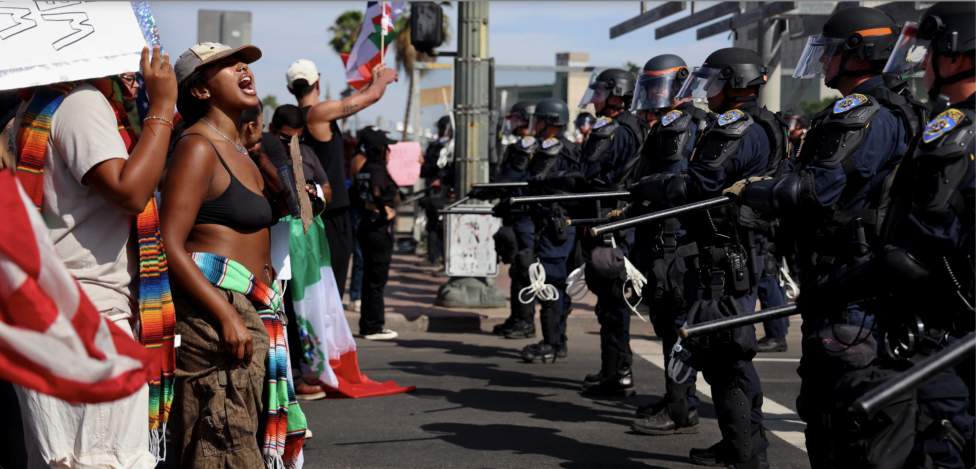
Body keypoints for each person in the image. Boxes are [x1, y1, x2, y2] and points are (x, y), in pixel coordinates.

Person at [725, 8, 929, 466]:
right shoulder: (902, 107)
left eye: (831, 53)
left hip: (848, 285)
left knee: (837, 420)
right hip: (860, 280)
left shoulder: (862, 113)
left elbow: (815, 191)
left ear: (859, 54)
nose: (822, 63)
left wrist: (756, 193)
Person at [803, 4, 975, 468]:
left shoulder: (958, 133)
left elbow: (917, 251)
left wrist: (835, 287)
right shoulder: (946, 122)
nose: (920, 63)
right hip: (950, 321)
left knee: (930, 442)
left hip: (942, 324)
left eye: (931, 52)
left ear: (956, 56)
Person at [11, 46, 176, 468]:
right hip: (89, 322)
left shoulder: (41, 102)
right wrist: (161, 106)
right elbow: (130, 192)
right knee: (106, 460)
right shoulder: (81, 102)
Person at [630, 47, 792, 468]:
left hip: (726, 253)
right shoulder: (764, 122)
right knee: (723, 352)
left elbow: (697, 186)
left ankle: (746, 454)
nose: (708, 89)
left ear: (734, 82)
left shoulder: (736, 126)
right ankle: (739, 444)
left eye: (715, 80)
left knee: (727, 355)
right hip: (736, 247)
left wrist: (651, 187)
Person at [162, 43, 311, 468]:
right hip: (218, 320)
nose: (243, 67)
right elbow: (170, 245)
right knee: (222, 449)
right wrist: (225, 316)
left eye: (242, 62)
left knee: (243, 447)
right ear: (201, 91)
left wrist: (263, 152)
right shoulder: (196, 148)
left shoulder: (240, 148)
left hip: (255, 314)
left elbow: (296, 207)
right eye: (227, 65)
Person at [623, 54, 713, 432]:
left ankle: (682, 408)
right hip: (668, 236)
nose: (653, 95)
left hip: (672, 238)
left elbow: (672, 185)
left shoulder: (679, 124)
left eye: (658, 86)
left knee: (675, 319)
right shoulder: (682, 121)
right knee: (668, 320)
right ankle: (677, 397)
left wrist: (640, 192)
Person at [286, 58, 398, 300]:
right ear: (318, 84)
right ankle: (326, 336)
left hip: (308, 211)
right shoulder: (319, 114)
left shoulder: (293, 118)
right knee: (331, 284)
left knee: (309, 284)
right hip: (332, 214)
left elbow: (351, 102)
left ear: (290, 89)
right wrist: (384, 78)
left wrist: (371, 80)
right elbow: (370, 98)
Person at [576, 68, 648, 396]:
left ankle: (619, 374)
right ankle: (612, 368)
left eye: (601, 94)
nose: (594, 101)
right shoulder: (634, 125)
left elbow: (589, 173)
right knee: (610, 299)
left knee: (613, 299)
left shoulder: (614, 128)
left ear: (617, 95)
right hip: (618, 218)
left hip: (612, 220)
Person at [511, 98, 583, 363]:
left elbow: (532, 184)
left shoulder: (552, 149)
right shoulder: (572, 148)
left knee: (549, 283)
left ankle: (552, 343)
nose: (536, 125)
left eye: (539, 120)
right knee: (557, 284)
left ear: (550, 121)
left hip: (553, 226)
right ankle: (557, 340)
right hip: (563, 226)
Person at [486, 101, 538, 338]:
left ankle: (526, 321)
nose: (514, 124)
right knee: (516, 270)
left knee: (525, 268)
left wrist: (488, 191)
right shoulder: (519, 146)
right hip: (514, 215)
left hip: (525, 216)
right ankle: (517, 317)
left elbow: (511, 179)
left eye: (517, 119)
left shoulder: (530, 146)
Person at [353, 127, 401, 340]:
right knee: (377, 280)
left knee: (369, 279)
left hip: (366, 224)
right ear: (379, 149)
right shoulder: (378, 170)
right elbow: (376, 192)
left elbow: (355, 194)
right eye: (386, 147)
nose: (389, 150)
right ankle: (374, 327)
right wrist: (384, 212)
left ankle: (367, 325)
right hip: (378, 228)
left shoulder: (365, 168)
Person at [418, 115, 454, 275]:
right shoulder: (436, 144)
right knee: (432, 224)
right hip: (432, 190)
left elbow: (449, 168)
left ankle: (446, 263)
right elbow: (428, 166)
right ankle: (432, 256)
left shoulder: (452, 146)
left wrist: (443, 181)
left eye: (441, 127)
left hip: (444, 191)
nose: (439, 131)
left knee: (443, 227)